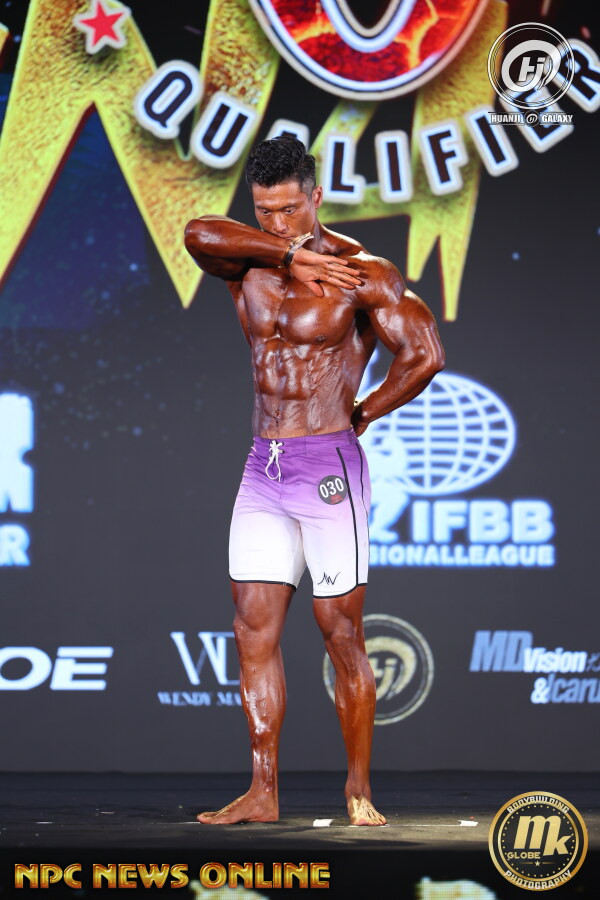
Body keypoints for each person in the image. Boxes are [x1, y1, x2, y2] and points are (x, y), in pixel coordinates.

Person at [184, 136, 444, 826]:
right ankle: (262, 791)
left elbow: (424, 353)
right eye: (265, 211)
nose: (277, 223)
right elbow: (196, 232)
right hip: (262, 465)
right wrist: (286, 255)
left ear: (317, 197)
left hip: (327, 466)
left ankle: (358, 789)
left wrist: (365, 411)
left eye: (290, 210)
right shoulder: (248, 259)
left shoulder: (361, 272)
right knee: (251, 629)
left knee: (340, 631)